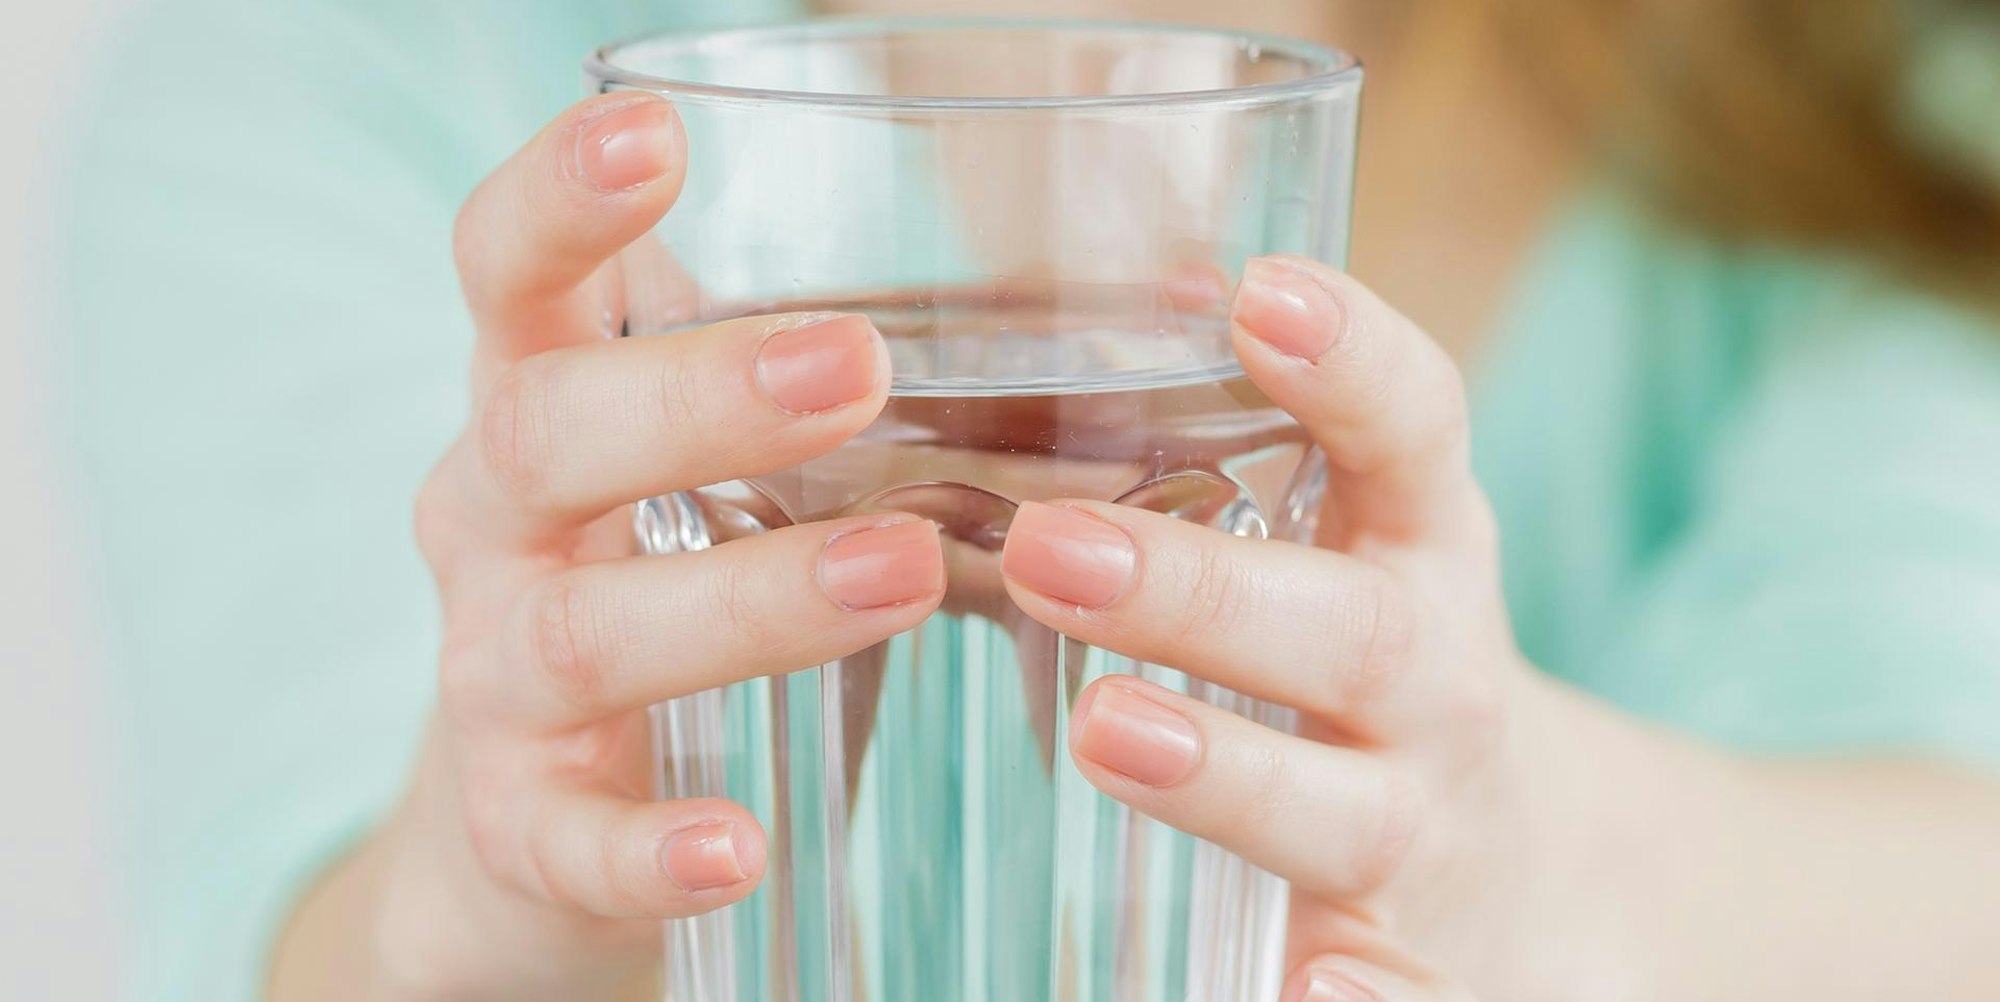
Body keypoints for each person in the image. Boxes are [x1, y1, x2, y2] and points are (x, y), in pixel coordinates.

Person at [55, 0, 2000, 999]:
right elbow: (290, 904)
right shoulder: (344, 66)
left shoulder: (1882, 119)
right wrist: (461, 911)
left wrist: (1527, 854)